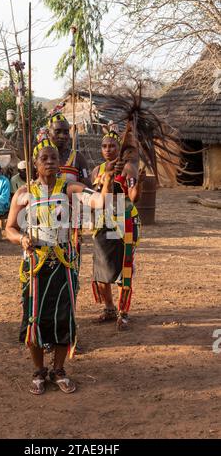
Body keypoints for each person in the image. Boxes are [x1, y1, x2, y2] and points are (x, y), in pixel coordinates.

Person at [6, 139, 118, 395]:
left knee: (63, 316)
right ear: (35, 164)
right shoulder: (24, 193)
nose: (49, 162)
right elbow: (9, 228)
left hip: (63, 264)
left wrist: (108, 179)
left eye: (53, 158)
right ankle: (38, 371)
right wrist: (21, 238)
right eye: (44, 158)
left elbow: (100, 202)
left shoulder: (69, 188)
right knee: (34, 317)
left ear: (60, 163)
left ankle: (58, 369)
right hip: (35, 265)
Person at [91, 129, 143, 329]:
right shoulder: (97, 170)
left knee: (124, 268)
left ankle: (123, 312)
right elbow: (93, 196)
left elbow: (133, 196)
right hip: (103, 223)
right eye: (104, 146)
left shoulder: (128, 168)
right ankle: (109, 308)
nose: (108, 149)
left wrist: (139, 186)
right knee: (101, 268)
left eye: (112, 146)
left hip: (124, 224)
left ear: (119, 148)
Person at [47, 112, 92, 187]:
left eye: (66, 132)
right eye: (58, 132)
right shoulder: (40, 158)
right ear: (48, 133)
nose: (62, 136)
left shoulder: (77, 158)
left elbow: (87, 188)